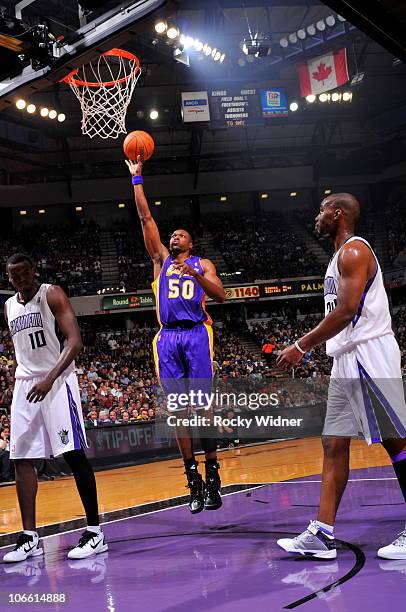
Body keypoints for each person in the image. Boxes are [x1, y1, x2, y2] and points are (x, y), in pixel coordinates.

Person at [276, 193, 406, 560]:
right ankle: (322, 533)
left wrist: (301, 345)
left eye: (321, 211)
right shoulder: (337, 258)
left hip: (369, 355)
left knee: (397, 443)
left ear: (338, 214)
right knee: (333, 444)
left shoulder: (354, 251)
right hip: (345, 360)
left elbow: (348, 310)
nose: (316, 217)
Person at [126, 155, 225, 513]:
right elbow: (145, 217)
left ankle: (213, 472)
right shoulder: (161, 261)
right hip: (168, 338)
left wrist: (195, 274)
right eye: (173, 235)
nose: (175, 235)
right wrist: (137, 179)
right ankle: (192, 478)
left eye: (181, 234)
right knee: (179, 411)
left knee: (203, 408)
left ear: (192, 244)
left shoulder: (203, 264)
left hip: (197, 334)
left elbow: (221, 295)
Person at [2, 254, 107, 563]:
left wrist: (49, 378)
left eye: (23, 272)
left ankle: (95, 532)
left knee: (73, 454)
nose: (19, 278)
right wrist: (23, 381)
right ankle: (30, 537)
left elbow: (75, 342)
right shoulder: (8, 306)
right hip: (26, 385)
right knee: (21, 459)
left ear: (34, 271)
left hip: (58, 380)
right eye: (13, 275)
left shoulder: (52, 293)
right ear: (8, 278)